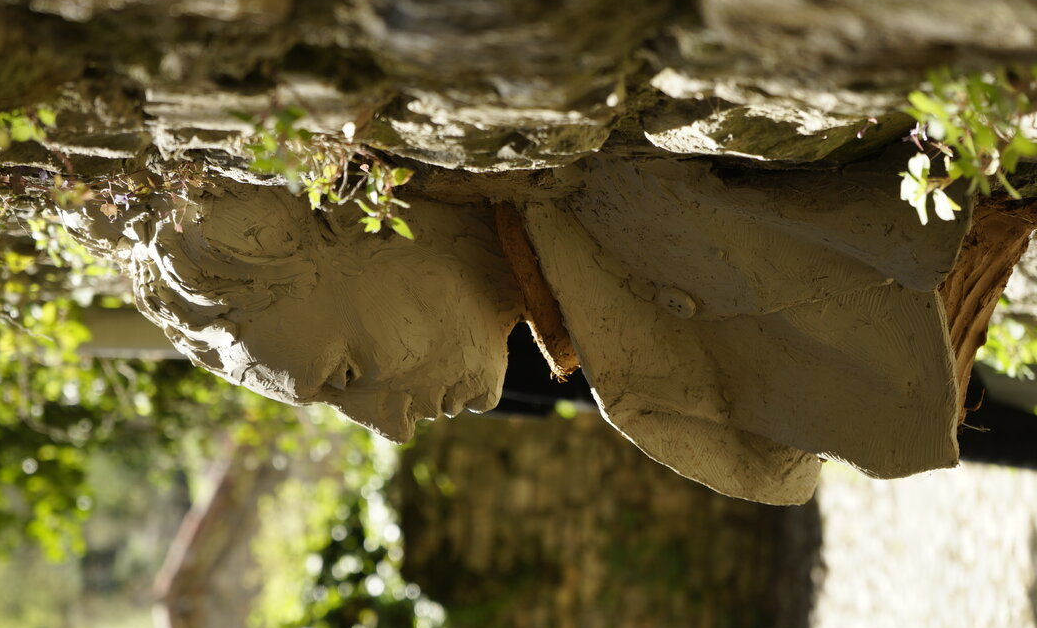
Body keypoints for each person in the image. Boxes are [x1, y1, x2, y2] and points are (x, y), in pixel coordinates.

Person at [106, 154, 967, 505]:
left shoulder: (641, 187)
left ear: (368, 228)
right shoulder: (632, 376)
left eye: (345, 374)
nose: (390, 423)